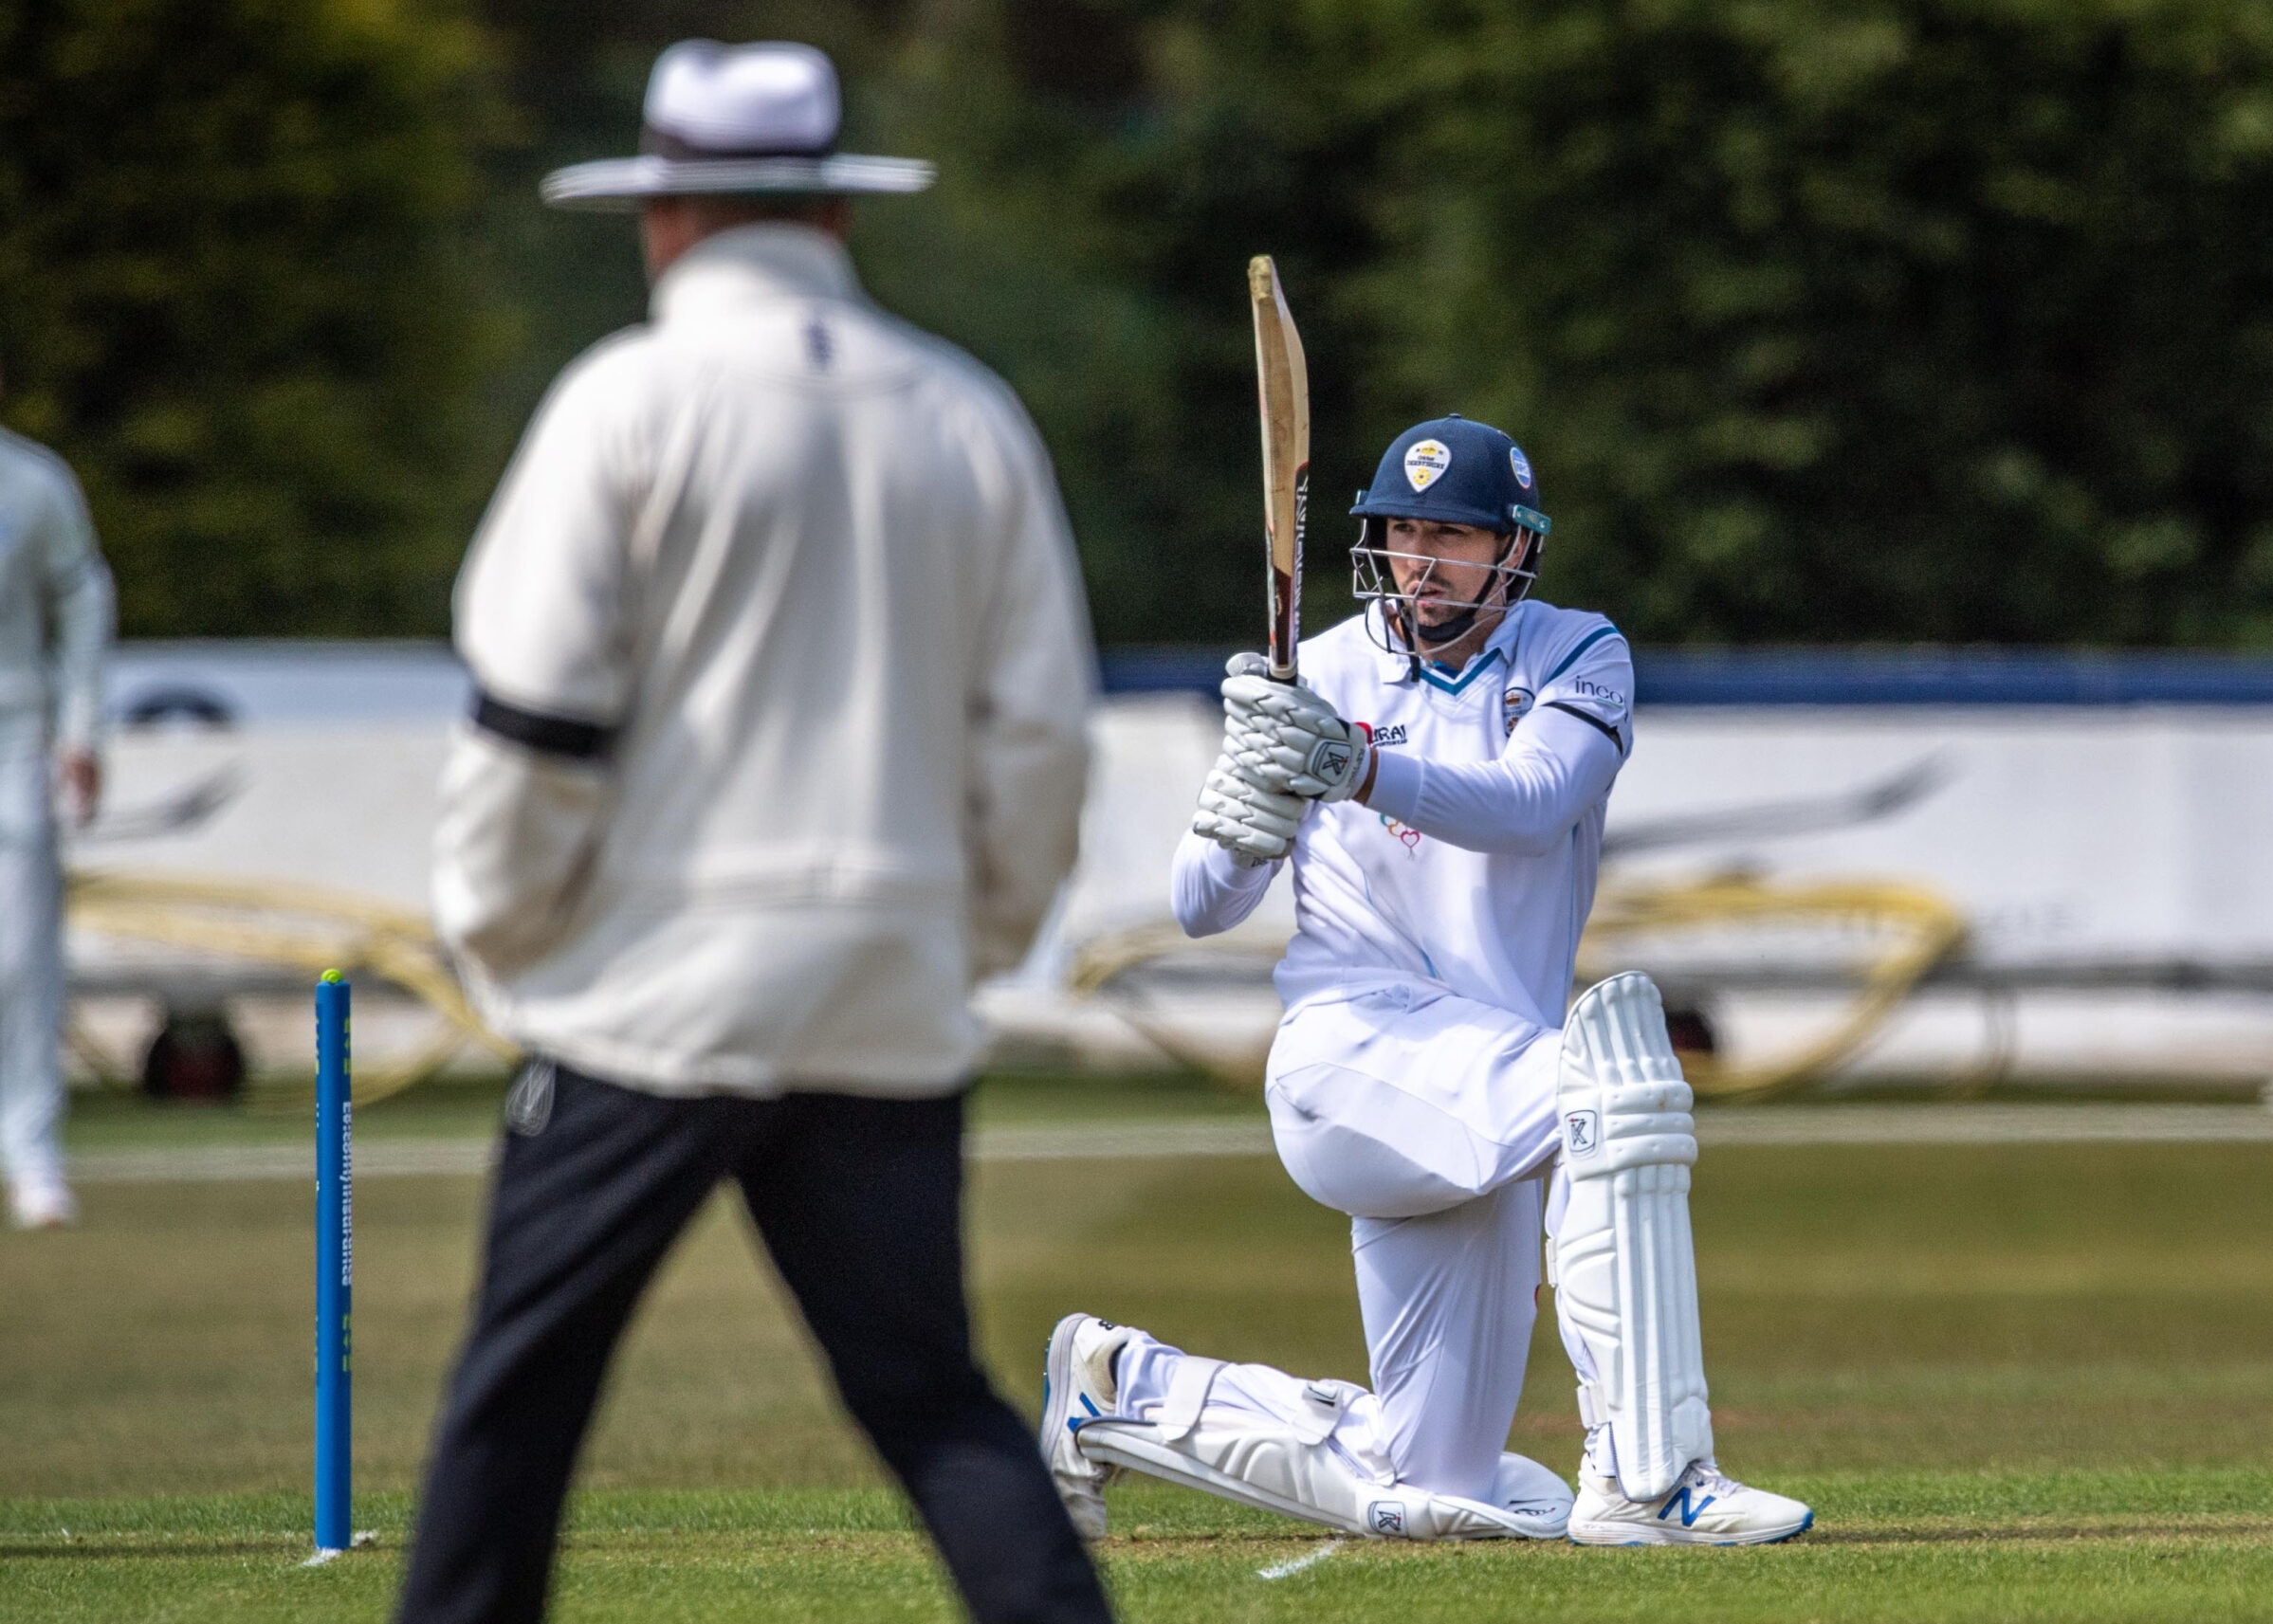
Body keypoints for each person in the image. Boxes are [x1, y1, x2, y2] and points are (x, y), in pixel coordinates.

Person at [396, 41, 1109, 1624]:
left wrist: (503, 921)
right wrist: (974, 927)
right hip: (886, 983)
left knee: (520, 1397)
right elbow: (1044, 731)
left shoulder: (628, 399)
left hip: (655, 986)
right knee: (930, 1395)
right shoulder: (963, 411)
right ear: (835, 214)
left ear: (661, 215)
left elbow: (535, 710)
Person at [1038, 415, 1812, 1545]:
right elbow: (1203, 904)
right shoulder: (1319, 672)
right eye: (1403, 531)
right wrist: (1252, 806)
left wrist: (1354, 766)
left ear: (1515, 548)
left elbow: (1533, 803)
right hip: (1354, 1057)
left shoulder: (1577, 653)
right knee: (1617, 1091)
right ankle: (1652, 1483)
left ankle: (1118, 1389)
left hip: (1483, 1081)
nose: (1419, 559)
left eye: (1451, 535)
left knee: (1435, 1481)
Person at [0, 358, 114, 1232]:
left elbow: (80, 598)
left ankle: (30, 1145)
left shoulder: (32, 484)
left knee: (18, 954)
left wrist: (80, 729)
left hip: (13, 739)